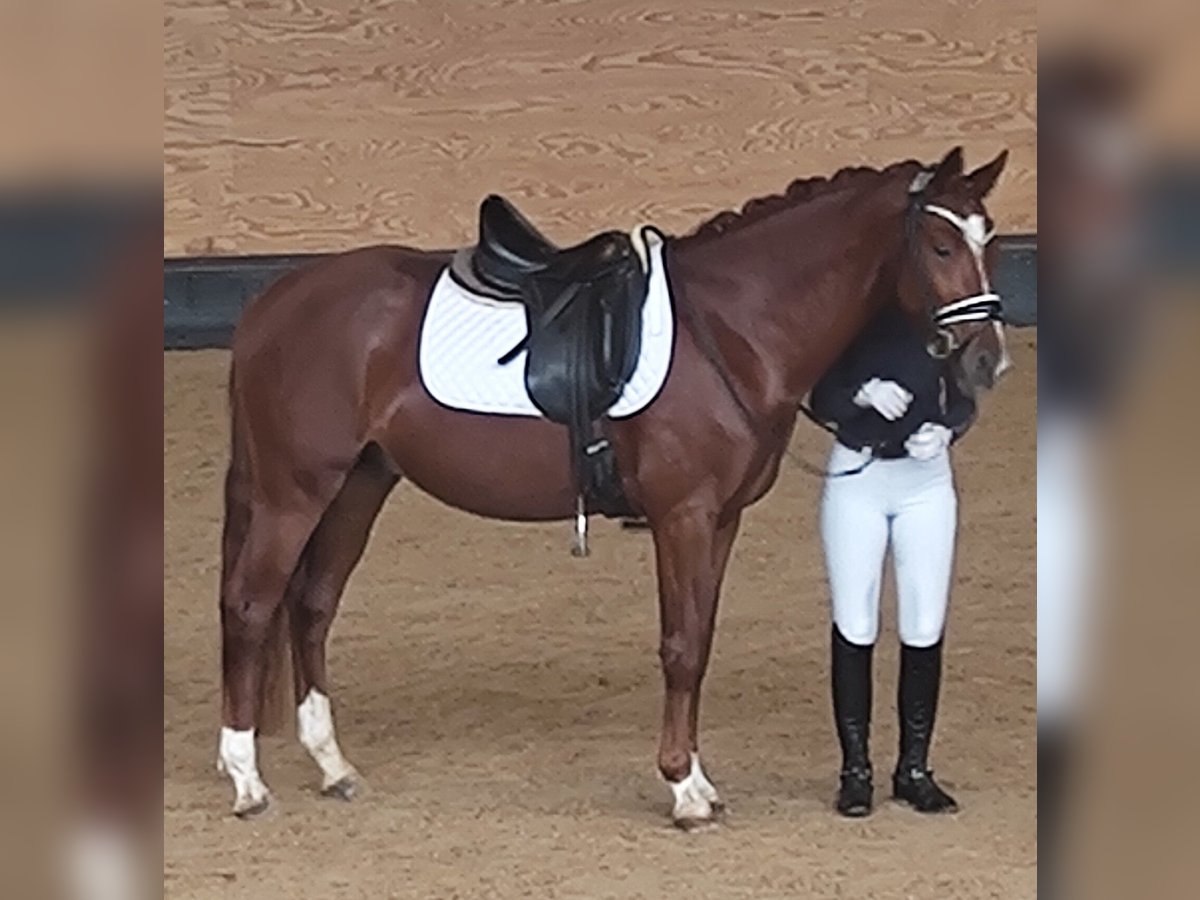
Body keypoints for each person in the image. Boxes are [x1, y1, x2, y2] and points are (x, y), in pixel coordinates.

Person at [809, 304, 978, 817]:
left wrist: (948, 430)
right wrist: (861, 394)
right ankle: (855, 769)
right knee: (855, 619)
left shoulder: (941, 321)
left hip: (925, 482)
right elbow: (821, 396)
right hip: (860, 474)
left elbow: (966, 392)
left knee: (924, 622)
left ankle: (914, 768)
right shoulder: (850, 317)